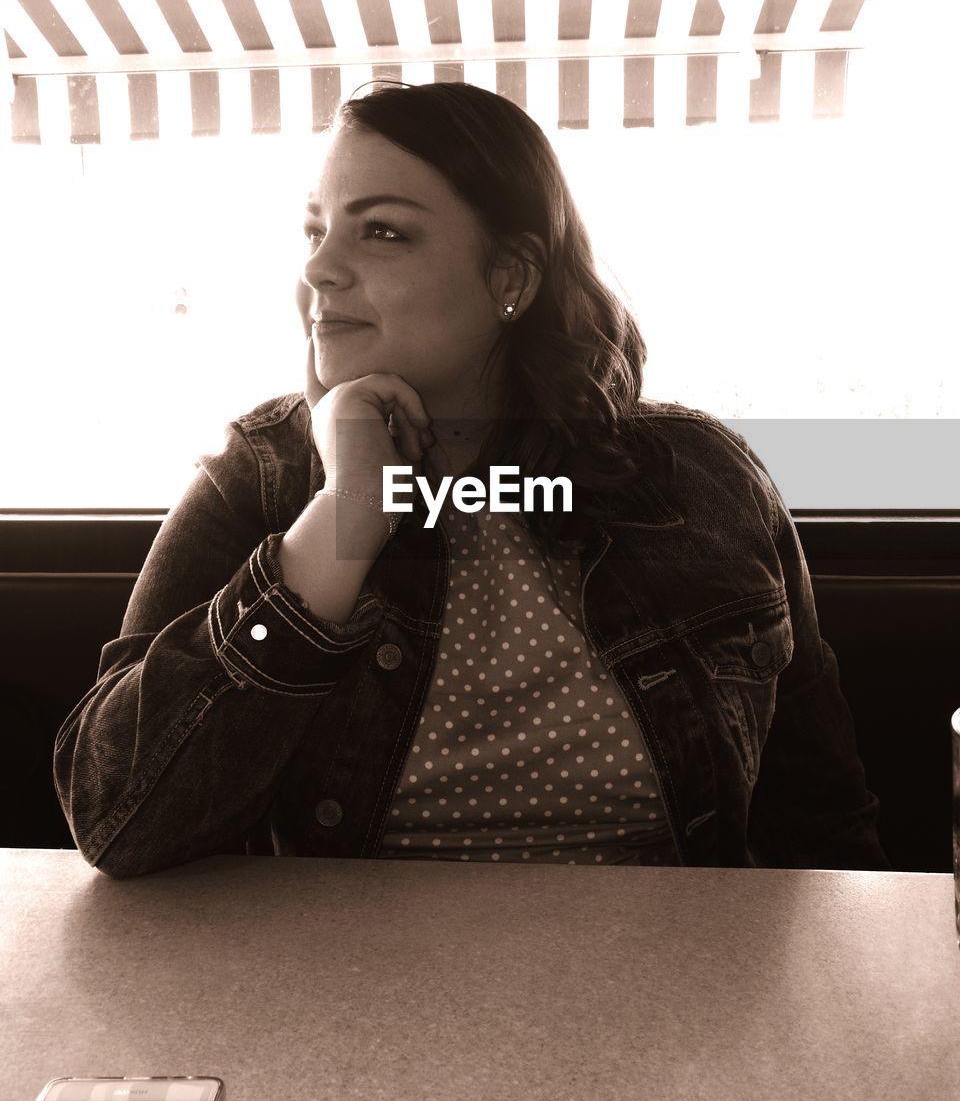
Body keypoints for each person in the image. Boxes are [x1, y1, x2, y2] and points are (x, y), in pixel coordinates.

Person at [54, 81, 887, 878]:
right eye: (315, 231)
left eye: (381, 232)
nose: (319, 271)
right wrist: (347, 515)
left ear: (510, 279)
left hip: (673, 990)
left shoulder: (702, 486)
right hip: (337, 1001)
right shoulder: (262, 483)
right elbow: (116, 816)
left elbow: (821, 819)